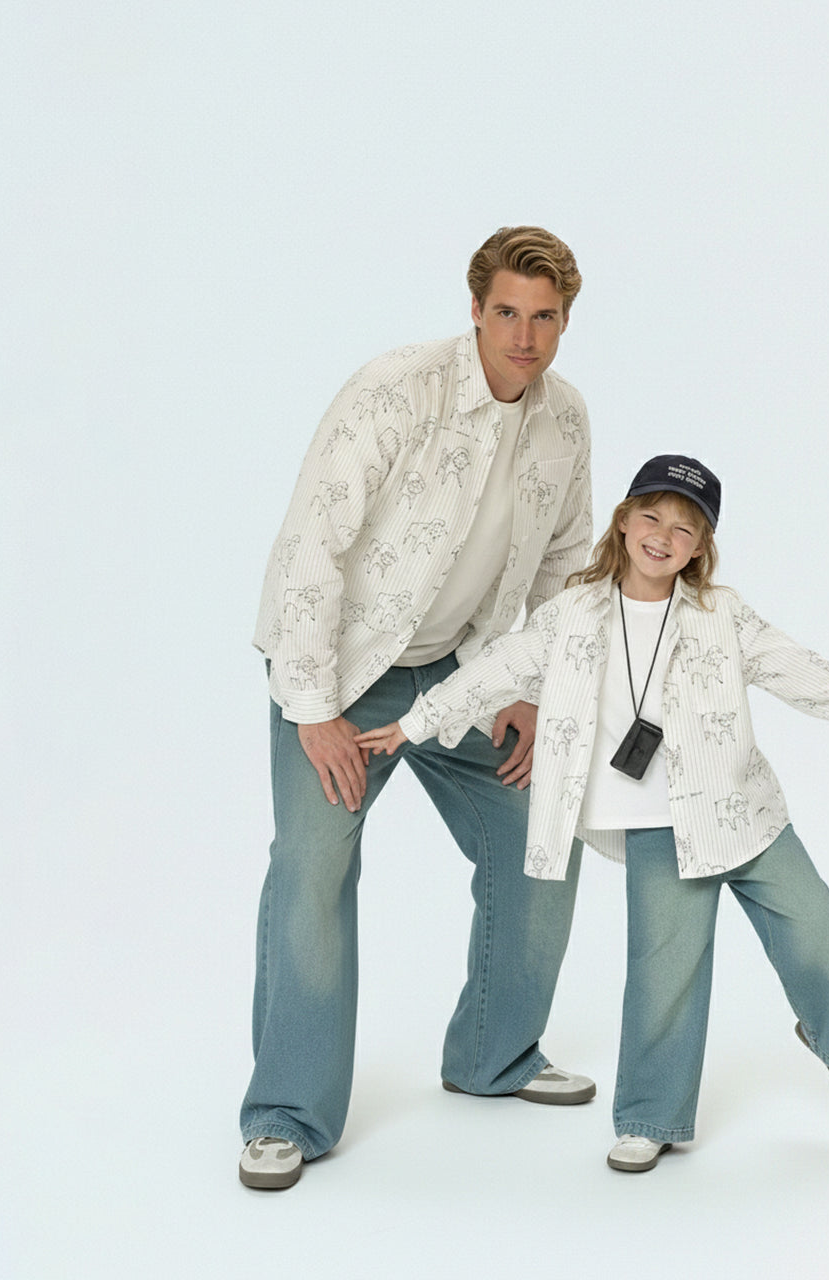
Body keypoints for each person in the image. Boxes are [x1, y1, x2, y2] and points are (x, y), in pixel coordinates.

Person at [357, 454, 829, 1173]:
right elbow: (496, 669)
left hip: (744, 814)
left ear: (701, 548)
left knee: (819, 935)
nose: (664, 536)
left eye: (685, 528)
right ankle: (648, 1117)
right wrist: (416, 724)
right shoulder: (572, 614)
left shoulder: (721, 614)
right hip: (659, 828)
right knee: (663, 975)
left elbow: (801, 671)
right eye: (652, 517)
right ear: (625, 522)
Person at [239, 227, 596, 1191]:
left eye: (545, 317)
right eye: (508, 313)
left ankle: (494, 1056)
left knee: (541, 834)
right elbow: (313, 542)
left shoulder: (565, 421)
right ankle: (286, 1112)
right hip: (341, 672)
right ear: (475, 309)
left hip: (461, 677)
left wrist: (523, 688)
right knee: (312, 868)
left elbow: (568, 565)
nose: (524, 336)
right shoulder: (396, 391)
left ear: (567, 322)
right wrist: (312, 707)